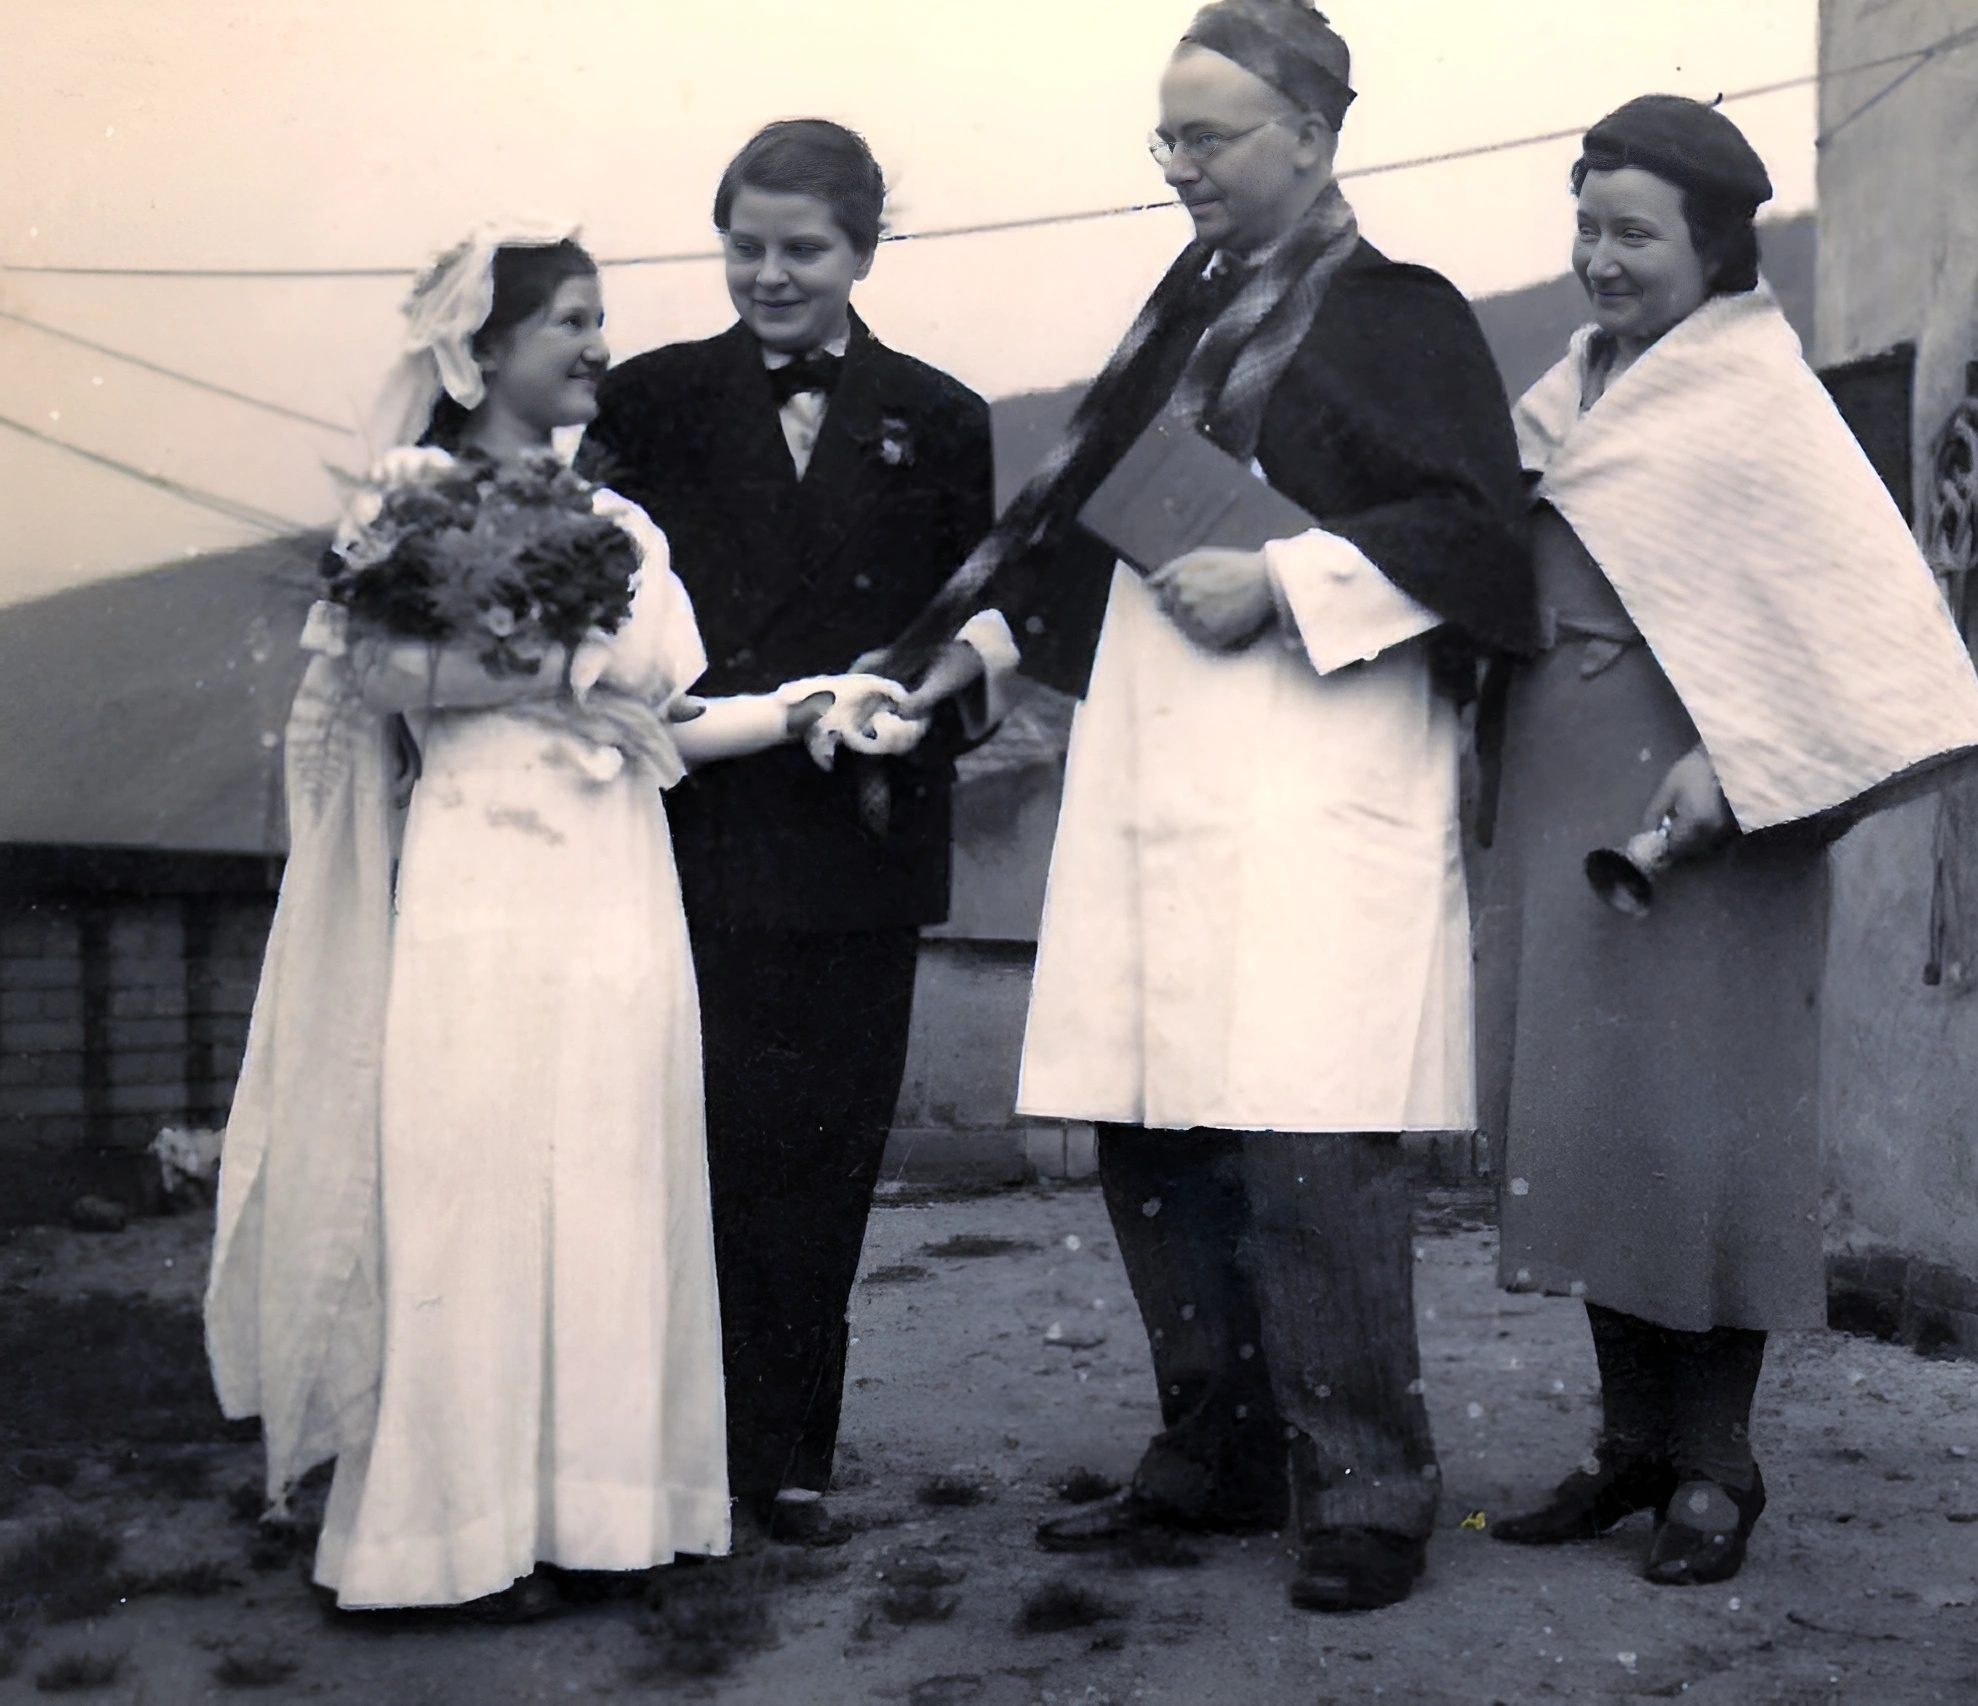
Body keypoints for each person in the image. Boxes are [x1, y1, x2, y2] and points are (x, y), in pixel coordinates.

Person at [882, 0, 1537, 1614]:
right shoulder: (1178, 321)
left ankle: (1366, 1486)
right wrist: (971, 651)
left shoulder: (1399, 314)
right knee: (1157, 1124)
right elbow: (1072, 539)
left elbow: (1479, 540)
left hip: (1313, 776)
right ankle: (1218, 1447)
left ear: (1311, 136)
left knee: (1311, 1134)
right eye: (1165, 137)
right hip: (1152, 771)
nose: (1177, 165)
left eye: (1208, 136)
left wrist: (1290, 575)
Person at [203, 229, 891, 1608]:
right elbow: (377, 681)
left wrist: (806, 706)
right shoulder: (411, 499)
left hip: (615, 879)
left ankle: (599, 1519)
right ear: (484, 349)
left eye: (599, 319)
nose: (596, 346)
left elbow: (666, 718)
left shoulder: (624, 525)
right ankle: (454, 1539)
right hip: (481, 873)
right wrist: (538, 662)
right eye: (569, 321)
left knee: (610, 1168)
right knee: (478, 1177)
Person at [1478, 97, 1978, 1586]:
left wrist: (1740, 749)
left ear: (1715, 246)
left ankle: (1718, 1461)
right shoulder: (1571, 390)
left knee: (1703, 1128)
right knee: (1593, 1120)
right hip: (1563, 787)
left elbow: (1861, 622)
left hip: (1714, 808)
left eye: (1635, 234)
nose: (1601, 259)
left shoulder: (1763, 401)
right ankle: (1632, 1446)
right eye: (1587, 228)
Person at [582, 120, 1008, 1547]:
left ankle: (790, 1457)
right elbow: (598, 620)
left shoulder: (941, 416)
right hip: (693, 823)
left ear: (864, 252)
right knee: (692, 1140)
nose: (769, 275)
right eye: (745, 246)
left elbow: (971, 623)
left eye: (803, 249)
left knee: (827, 1152)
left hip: (859, 839)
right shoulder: (649, 400)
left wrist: (914, 707)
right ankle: (683, 1451)